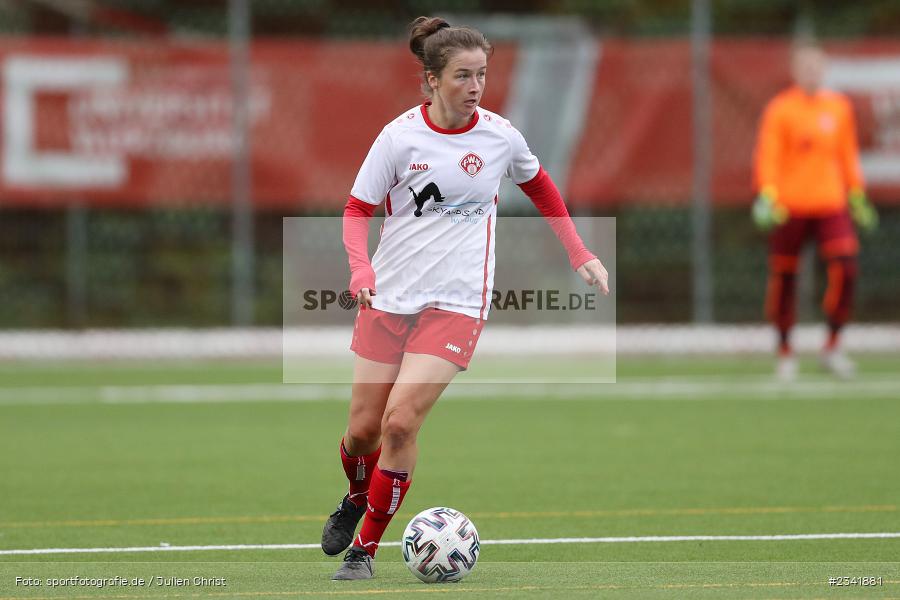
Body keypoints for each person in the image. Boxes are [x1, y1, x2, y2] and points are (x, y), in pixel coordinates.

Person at [322, 16, 609, 580]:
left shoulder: (500, 136)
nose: (475, 86)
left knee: (400, 424)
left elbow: (542, 186)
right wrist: (360, 270)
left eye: (481, 74)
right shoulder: (399, 136)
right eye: (462, 75)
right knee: (363, 430)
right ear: (431, 79)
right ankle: (357, 495)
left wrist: (578, 252)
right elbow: (358, 209)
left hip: (456, 302)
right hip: (388, 298)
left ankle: (365, 551)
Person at [752, 41, 878, 381]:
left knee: (846, 268)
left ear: (823, 70)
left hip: (830, 203)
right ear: (794, 71)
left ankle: (833, 346)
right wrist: (768, 195)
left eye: (816, 67)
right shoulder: (781, 109)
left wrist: (857, 194)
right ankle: (784, 351)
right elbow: (769, 156)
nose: (811, 73)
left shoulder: (838, 107)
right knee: (784, 278)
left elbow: (847, 154)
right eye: (804, 67)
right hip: (789, 207)